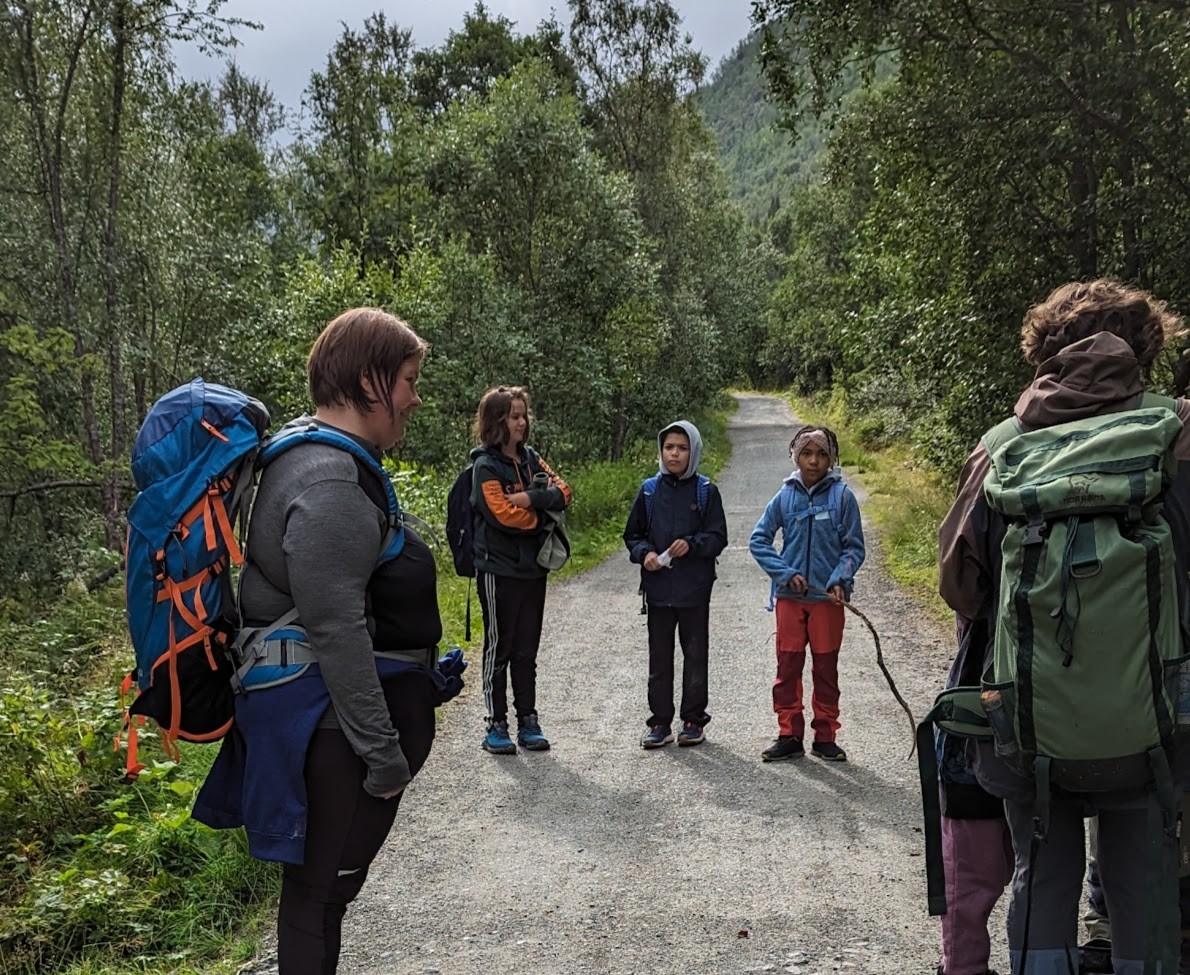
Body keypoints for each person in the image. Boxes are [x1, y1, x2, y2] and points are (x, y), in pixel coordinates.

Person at [938, 278, 1190, 975]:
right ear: (1147, 347)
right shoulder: (1179, 432)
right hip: (1157, 717)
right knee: (1142, 874)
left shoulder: (1001, 447)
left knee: (1042, 872)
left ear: (1044, 351)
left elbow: (960, 585)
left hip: (1027, 718)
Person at [192, 308, 454, 975]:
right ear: (368, 381)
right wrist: (384, 755)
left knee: (322, 894)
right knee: (318, 897)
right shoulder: (329, 479)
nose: (415, 398)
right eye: (408, 380)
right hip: (331, 732)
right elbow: (336, 630)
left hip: (329, 725)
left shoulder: (316, 456)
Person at [749, 424, 866, 762]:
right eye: (806, 453)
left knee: (826, 669)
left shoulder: (842, 498)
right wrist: (784, 573)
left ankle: (825, 735)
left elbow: (854, 548)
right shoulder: (784, 497)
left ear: (832, 459)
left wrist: (839, 579)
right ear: (795, 456)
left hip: (827, 601)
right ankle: (789, 733)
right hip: (789, 599)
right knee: (787, 667)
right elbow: (759, 540)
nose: (814, 461)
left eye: (821, 454)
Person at [470, 385, 572, 754]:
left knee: (527, 650)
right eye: (514, 416)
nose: (521, 422)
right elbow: (502, 515)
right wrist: (542, 518)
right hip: (498, 571)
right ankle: (495, 723)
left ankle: (528, 720)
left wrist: (529, 498)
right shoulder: (485, 466)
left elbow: (564, 492)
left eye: (523, 415)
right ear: (496, 421)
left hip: (533, 570)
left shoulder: (532, 459)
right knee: (500, 648)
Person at [623, 420, 728, 748]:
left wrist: (692, 544)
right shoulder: (649, 491)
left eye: (682, 448)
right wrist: (645, 555)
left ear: (693, 452)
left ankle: (693, 720)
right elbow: (632, 535)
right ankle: (660, 722)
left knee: (695, 656)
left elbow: (718, 537)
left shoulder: (706, 491)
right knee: (659, 659)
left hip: (694, 591)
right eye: (669, 447)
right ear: (661, 450)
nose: (674, 454)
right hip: (658, 592)